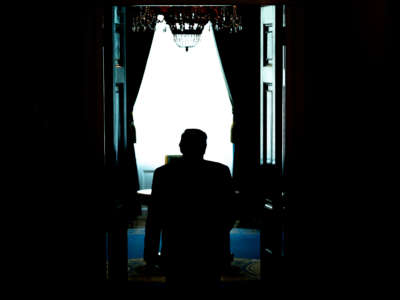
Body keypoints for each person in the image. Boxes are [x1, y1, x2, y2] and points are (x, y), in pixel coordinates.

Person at [144, 128, 236, 291]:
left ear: (181, 147)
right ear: (204, 147)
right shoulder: (221, 172)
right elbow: (229, 213)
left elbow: (154, 217)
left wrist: (150, 252)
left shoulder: (163, 174)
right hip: (210, 248)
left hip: (175, 248)